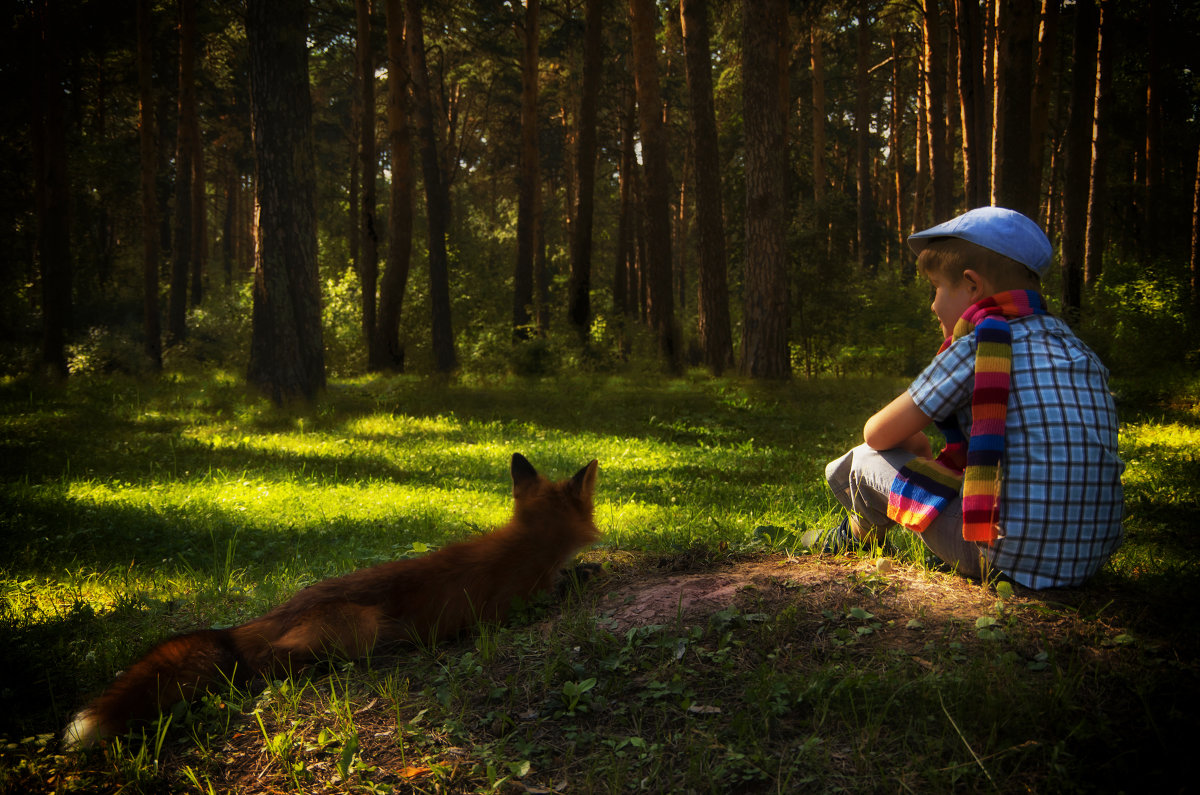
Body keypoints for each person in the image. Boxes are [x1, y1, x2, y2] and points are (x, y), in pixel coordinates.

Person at [820, 206, 1124, 590]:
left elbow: (876, 434)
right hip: (1087, 560)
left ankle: (855, 538)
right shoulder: (1080, 352)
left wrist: (913, 444)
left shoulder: (980, 344)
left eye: (936, 288)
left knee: (862, 461)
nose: (933, 305)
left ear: (971, 286)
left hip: (1001, 556)